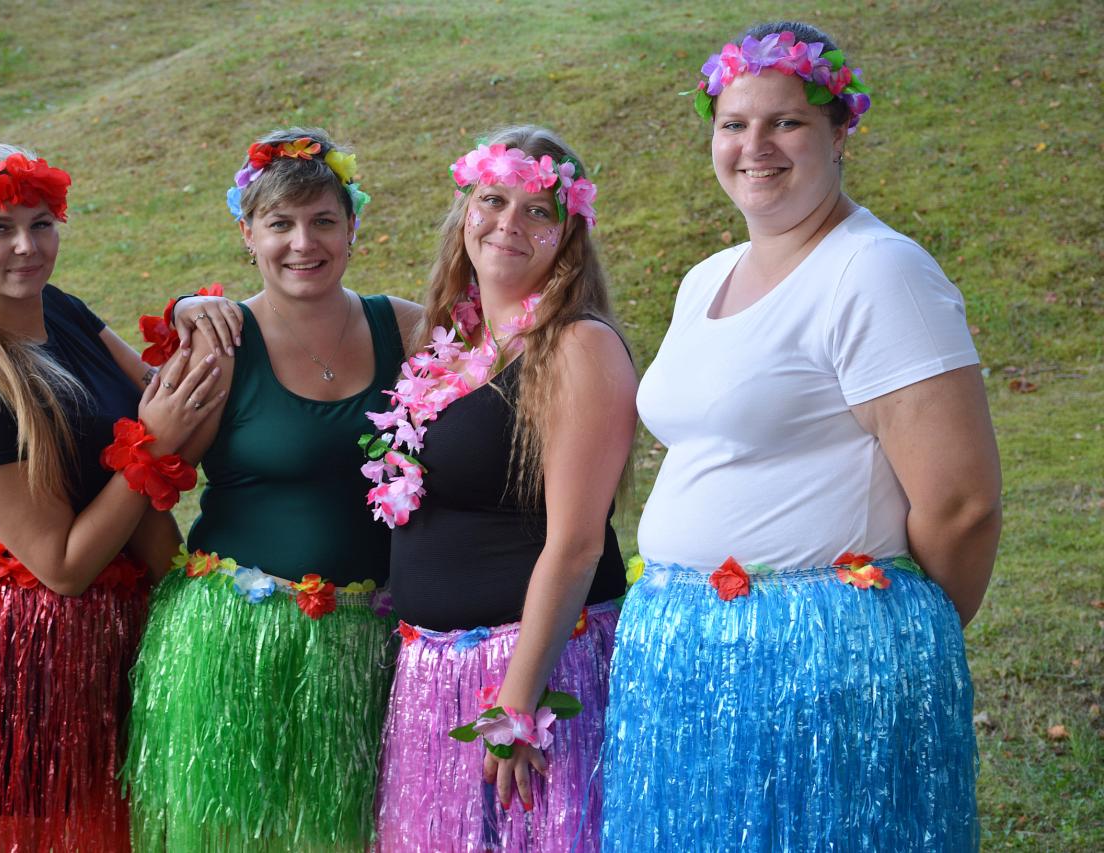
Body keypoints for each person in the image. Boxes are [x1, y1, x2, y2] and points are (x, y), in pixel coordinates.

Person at [599, 23, 1001, 851]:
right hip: (685, 651)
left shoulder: (877, 271)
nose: (755, 146)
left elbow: (962, 504)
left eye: (786, 122)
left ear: (839, 130)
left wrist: (887, 634)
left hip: (820, 660)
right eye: (734, 124)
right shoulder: (706, 278)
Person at [0, 144, 222, 851]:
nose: (27, 246)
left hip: (120, 625)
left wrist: (198, 316)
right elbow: (64, 566)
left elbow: (164, 400)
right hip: (32, 652)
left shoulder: (61, 310)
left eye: (41, 223)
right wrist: (153, 449)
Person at [123, 127, 420, 851]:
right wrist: (187, 596)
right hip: (236, 640)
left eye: (324, 221)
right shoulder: (220, 343)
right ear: (248, 234)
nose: (303, 243)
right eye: (280, 224)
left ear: (353, 227)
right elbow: (150, 481)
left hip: (367, 643)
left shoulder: (407, 327)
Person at [371, 125, 637, 852]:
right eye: (493, 200)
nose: (508, 223)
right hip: (433, 674)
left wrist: (516, 708)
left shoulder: (578, 345)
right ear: (466, 210)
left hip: (530, 674)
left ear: (568, 234)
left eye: (537, 210)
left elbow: (577, 544)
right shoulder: (454, 345)